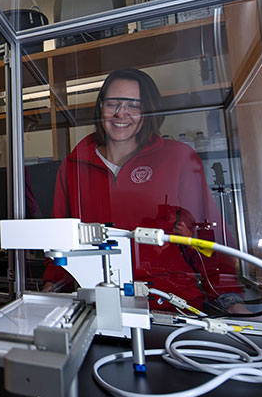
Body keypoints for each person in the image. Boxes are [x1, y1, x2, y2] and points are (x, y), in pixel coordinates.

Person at [43, 68, 243, 313]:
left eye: (133, 106)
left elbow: (207, 237)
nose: (120, 113)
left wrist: (230, 298)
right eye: (112, 104)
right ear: (100, 107)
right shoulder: (73, 166)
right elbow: (60, 235)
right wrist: (52, 286)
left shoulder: (178, 158)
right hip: (98, 304)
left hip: (170, 304)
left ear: (148, 111)